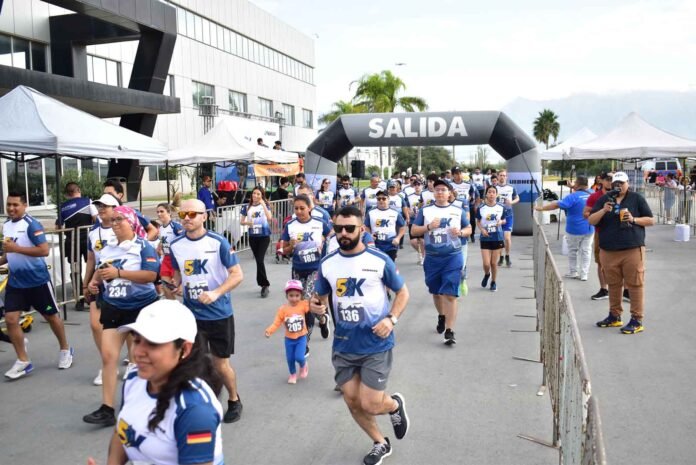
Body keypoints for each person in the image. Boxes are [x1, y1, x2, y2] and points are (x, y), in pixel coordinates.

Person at [311, 206, 410, 465]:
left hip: (375, 343)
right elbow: (320, 296)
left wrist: (391, 319)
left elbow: (403, 293)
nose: (343, 233)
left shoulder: (379, 260)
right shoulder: (328, 263)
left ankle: (394, 405)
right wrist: (316, 306)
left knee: (370, 403)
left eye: (350, 228)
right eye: (339, 228)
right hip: (343, 344)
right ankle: (380, 442)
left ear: (362, 229)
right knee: (353, 401)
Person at [90, 300, 224, 465]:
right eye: (137, 340)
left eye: (153, 344)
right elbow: (123, 431)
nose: (138, 352)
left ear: (184, 349)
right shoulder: (134, 379)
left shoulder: (195, 410)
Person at [170, 199, 245, 423]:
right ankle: (199, 403)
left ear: (204, 216)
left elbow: (237, 274)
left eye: (192, 214)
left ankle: (234, 399)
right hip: (191, 315)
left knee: (220, 364)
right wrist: (176, 285)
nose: (187, 219)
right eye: (183, 215)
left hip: (219, 314)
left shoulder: (218, 242)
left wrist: (216, 293)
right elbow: (178, 273)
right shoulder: (176, 245)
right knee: (191, 362)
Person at [84, 205, 159, 426]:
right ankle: (107, 409)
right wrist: (94, 283)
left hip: (141, 307)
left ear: (131, 222)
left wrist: (119, 273)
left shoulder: (143, 246)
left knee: (146, 359)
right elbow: (100, 271)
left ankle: (152, 402)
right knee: (108, 357)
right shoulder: (107, 248)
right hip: (114, 307)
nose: (115, 223)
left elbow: (151, 275)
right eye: (113, 220)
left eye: (120, 220)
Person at [1, 192, 74, 380]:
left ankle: (65, 349)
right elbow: (9, 253)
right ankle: (23, 360)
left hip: (37, 281)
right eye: (9, 205)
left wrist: (16, 249)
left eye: (15, 205)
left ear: (25, 205)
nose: (11, 208)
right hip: (16, 282)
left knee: (51, 317)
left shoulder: (32, 224)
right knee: (10, 319)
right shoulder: (6, 225)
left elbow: (43, 250)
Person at [589, 171, 655, 334]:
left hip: (632, 248)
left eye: (622, 183)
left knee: (635, 284)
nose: (618, 186)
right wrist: (603, 210)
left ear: (628, 184)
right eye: (615, 183)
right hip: (608, 250)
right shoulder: (604, 199)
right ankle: (614, 316)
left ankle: (637, 319)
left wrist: (634, 219)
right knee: (613, 284)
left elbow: (650, 220)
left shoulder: (636, 198)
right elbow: (591, 220)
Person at [412, 180, 471, 345]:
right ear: (433, 193)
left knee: (450, 294)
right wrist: (429, 227)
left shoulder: (458, 210)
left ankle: (450, 331)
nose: (440, 192)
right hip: (432, 258)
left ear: (449, 193)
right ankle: (442, 316)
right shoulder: (425, 211)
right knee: (436, 292)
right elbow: (414, 230)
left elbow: (469, 229)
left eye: (443, 190)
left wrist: (460, 232)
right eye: (437, 189)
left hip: (453, 257)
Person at [281, 195, 332, 356]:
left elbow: (332, 236)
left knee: (306, 304)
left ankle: (305, 343)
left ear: (310, 208)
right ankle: (323, 318)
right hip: (297, 269)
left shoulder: (319, 223)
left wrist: (324, 245)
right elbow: (283, 250)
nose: (299, 211)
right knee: (300, 303)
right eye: (296, 208)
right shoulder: (290, 225)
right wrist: (290, 246)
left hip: (315, 269)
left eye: (302, 208)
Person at [83, 194, 120, 386]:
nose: (101, 209)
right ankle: (107, 364)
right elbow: (91, 258)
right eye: (99, 206)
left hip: (121, 282)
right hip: (99, 283)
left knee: (126, 326)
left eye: (105, 206)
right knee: (96, 325)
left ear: (115, 208)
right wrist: (86, 282)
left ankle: (132, 361)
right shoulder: (93, 232)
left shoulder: (122, 227)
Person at [535, 176, 595, 280]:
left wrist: (540, 208)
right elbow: (582, 190)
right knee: (586, 251)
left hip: (574, 228)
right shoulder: (593, 193)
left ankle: (573, 272)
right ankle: (584, 274)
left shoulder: (572, 197)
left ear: (577, 184)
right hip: (590, 227)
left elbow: (556, 205)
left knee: (573, 250)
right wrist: (573, 186)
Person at [57, 181, 97, 311]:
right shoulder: (88, 201)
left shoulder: (62, 207)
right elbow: (96, 219)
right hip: (87, 239)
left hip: (71, 241)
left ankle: (79, 300)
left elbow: (58, 227)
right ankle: (91, 297)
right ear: (78, 190)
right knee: (92, 266)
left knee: (75, 269)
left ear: (67, 194)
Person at [265, 279, 311, 384]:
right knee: (290, 359)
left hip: (301, 337)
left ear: (301, 295)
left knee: (299, 357)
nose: (294, 298)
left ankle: (303, 365)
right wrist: (269, 331)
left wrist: (318, 298)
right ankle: (293, 374)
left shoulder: (304, 305)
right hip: (289, 339)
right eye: (291, 295)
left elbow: (313, 306)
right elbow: (276, 322)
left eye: (297, 295)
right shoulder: (283, 309)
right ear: (287, 296)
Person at [584, 172, 614, 300]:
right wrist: (599, 213)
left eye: (613, 179)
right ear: (600, 180)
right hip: (600, 232)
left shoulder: (622, 195)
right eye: (608, 179)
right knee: (601, 262)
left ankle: (625, 290)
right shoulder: (594, 196)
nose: (611, 182)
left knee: (621, 262)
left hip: (619, 233)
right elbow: (586, 213)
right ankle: (604, 289)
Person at [240, 187, 272, 298]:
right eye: (254, 193)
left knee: (259, 260)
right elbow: (241, 222)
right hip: (253, 237)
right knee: (258, 261)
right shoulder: (246, 206)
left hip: (264, 237)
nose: (256, 196)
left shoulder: (265, 205)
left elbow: (269, 218)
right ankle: (263, 283)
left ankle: (264, 284)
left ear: (262, 196)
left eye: (258, 194)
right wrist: (248, 223)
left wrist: (263, 204)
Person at [476, 185, 508, 293]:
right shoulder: (481, 208)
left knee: (494, 263)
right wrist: (482, 230)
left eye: (493, 192)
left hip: (497, 237)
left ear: (496, 194)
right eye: (489, 192)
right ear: (486, 194)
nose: (491, 194)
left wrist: (501, 222)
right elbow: (478, 221)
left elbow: (504, 220)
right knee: (486, 264)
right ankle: (487, 274)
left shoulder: (501, 207)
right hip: (485, 237)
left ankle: (493, 282)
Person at [364, 190, 407, 262]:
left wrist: (398, 238)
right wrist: (369, 235)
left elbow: (402, 226)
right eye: (379, 199)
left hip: (390, 244)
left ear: (388, 199)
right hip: (376, 244)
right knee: (377, 265)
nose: (381, 200)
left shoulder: (395, 213)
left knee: (389, 265)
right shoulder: (371, 212)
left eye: (384, 199)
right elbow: (366, 226)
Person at [156, 203, 183, 300]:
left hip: (177, 259)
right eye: (157, 212)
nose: (159, 214)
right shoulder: (161, 228)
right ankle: (173, 306)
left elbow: (183, 240)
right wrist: (159, 247)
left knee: (179, 290)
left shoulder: (175, 226)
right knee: (165, 286)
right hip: (166, 259)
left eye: (161, 211)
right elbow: (163, 239)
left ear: (169, 212)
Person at [450, 167, 480, 244]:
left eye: (460, 173)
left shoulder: (469, 184)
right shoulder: (449, 185)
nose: (459, 175)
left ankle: (472, 235)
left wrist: (475, 205)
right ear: (453, 175)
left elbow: (476, 195)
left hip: (468, 207)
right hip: (454, 207)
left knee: (471, 221)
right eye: (456, 174)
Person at [495, 170, 518, 267]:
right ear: (497, 176)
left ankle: (507, 256)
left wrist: (511, 202)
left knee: (507, 238)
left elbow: (517, 198)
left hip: (508, 214)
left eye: (504, 175)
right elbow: (487, 199)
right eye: (501, 175)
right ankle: (501, 257)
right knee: (499, 238)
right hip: (497, 215)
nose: (502, 177)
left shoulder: (511, 187)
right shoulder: (494, 188)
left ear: (506, 177)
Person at [405, 179, 425, 265]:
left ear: (422, 186)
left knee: (422, 240)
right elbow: (406, 208)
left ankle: (423, 257)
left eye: (419, 184)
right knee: (413, 242)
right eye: (415, 185)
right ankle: (422, 253)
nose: (417, 186)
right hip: (413, 220)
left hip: (423, 220)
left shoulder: (425, 195)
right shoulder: (409, 196)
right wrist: (410, 213)